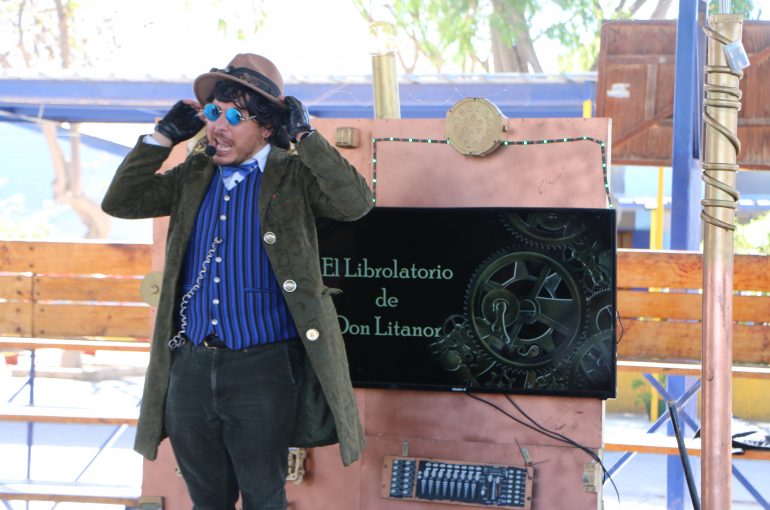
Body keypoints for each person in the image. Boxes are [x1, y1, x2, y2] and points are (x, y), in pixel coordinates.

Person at [101, 53, 372, 510]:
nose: (216, 127)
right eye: (212, 114)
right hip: (187, 366)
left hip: (263, 370)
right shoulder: (194, 173)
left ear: (267, 126)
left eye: (233, 116)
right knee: (206, 499)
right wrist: (162, 137)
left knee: (264, 497)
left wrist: (305, 135)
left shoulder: (294, 174)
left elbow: (356, 202)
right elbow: (121, 202)